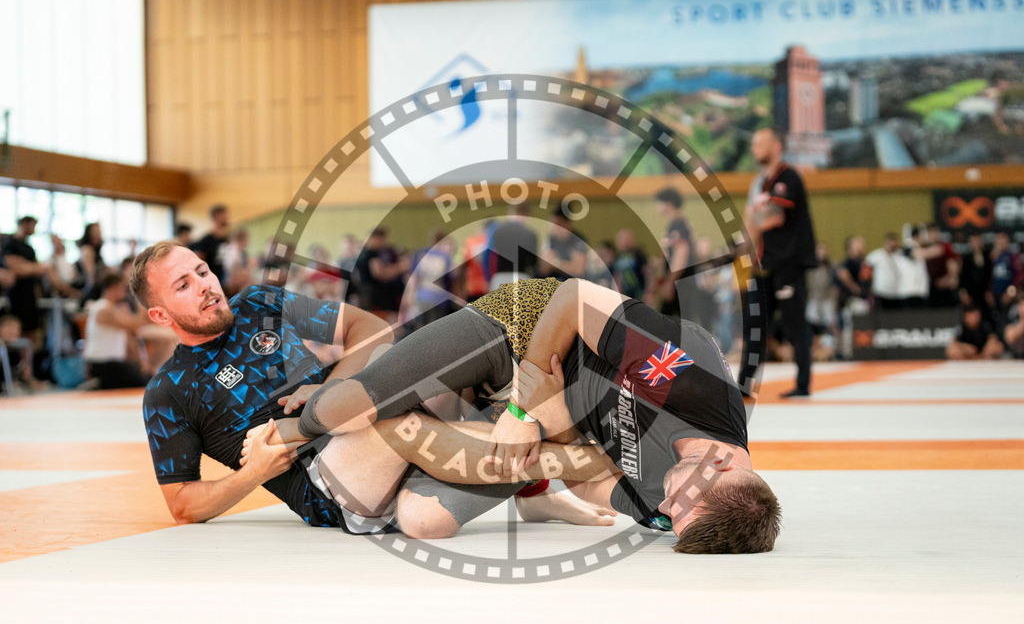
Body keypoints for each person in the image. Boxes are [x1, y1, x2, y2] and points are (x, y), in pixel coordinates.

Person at [132, 242, 606, 537]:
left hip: (344, 417)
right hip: (329, 483)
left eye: (201, 270)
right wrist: (252, 472)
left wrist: (329, 395)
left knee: (427, 514)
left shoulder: (260, 302)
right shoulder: (169, 391)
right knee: (398, 432)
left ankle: (533, 487)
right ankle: (578, 459)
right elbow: (182, 503)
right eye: (183, 284)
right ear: (159, 315)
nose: (204, 285)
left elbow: (371, 330)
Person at [293, 277, 780, 553]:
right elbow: (572, 299)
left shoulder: (671, 509)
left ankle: (431, 425)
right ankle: (297, 421)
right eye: (679, 505)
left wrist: (559, 422)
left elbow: (592, 484)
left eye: (673, 519)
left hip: (550, 413)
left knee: (424, 521)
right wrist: (525, 410)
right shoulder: (688, 383)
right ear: (721, 464)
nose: (663, 509)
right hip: (525, 335)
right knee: (341, 407)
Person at [738, 127, 817, 398]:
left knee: (795, 325)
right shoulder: (759, 183)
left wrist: (753, 220)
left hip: (788, 264)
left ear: (775, 146)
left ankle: (803, 384)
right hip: (764, 264)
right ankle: (744, 386)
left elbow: (773, 217)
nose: (753, 148)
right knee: (755, 326)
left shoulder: (788, 176)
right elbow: (751, 221)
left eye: (759, 143)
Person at [83, 272, 151, 389]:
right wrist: (142, 302)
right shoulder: (103, 309)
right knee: (144, 382)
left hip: (111, 362)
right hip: (104, 363)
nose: (125, 291)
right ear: (113, 288)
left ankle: (100, 385)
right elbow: (135, 324)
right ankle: (98, 386)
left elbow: (131, 331)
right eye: (122, 287)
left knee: (146, 377)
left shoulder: (110, 308)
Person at [355, 228, 408, 325]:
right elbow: (379, 273)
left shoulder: (380, 252)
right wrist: (400, 268)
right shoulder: (369, 254)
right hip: (376, 299)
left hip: (383, 298)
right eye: (381, 239)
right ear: (375, 239)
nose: (384, 242)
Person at [653, 188, 692, 316]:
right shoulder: (676, 224)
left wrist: (670, 282)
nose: (657, 207)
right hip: (679, 283)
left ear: (669, 203)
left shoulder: (678, 225)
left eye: (660, 202)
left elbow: (681, 254)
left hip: (681, 284)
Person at [487, 204, 539, 289]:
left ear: (510, 212)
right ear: (528, 214)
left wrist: (488, 279)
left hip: (500, 278)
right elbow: (533, 262)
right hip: (522, 278)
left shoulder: (497, 231)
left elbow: (488, 256)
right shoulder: (531, 234)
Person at [539, 202, 588, 282]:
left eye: (557, 224)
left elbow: (579, 270)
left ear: (567, 224)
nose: (553, 228)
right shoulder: (550, 239)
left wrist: (555, 263)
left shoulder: (577, 240)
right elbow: (543, 269)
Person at [191, 204, 231, 283]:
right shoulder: (206, 241)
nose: (227, 218)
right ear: (217, 216)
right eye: (225, 215)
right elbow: (200, 265)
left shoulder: (226, 239)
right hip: (210, 282)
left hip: (222, 280)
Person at [865, 233, 905, 310]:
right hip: (881, 292)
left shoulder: (899, 255)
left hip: (896, 293)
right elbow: (866, 270)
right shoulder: (877, 255)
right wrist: (868, 287)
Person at [76, 222, 108, 304]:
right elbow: (90, 276)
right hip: (89, 290)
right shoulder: (88, 250)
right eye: (97, 231)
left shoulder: (96, 250)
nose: (99, 233)